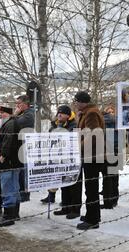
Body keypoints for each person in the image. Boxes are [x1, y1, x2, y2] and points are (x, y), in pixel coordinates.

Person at [74, 91, 105, 230]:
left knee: (91, 188)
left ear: (82, 102)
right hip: (90, 155)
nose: (75, 104)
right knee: (90, 187)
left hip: (92, 156)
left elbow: (94, 134)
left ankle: (93, 219)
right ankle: (91, 215)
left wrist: (78, 148)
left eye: (76, 101)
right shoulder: (87, 112)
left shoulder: (91, 113)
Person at [50, 105, 82, 218]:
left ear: (68, 115)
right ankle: (66, 207)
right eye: (58, 112)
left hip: (73, 160)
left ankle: (75, 209)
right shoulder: (57, 124)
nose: (59, 115)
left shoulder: (74, 125)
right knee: (64, 183)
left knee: (74, 185)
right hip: (61, 158)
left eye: (62, 113)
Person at [0, 106, 22, 227]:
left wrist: (3, 154)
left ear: (9, 114)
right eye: (0, 113)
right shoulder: (11, 123)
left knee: (7, 186)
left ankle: (8, 216)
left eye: (3, 113)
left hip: (8, 161)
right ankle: (14, 213)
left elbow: (8, 140)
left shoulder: (10, 124)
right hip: (14, 161)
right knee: (14, 186)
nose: (0, 115)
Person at [13, 95, 35, 203]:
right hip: (20, 144)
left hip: (25, 145)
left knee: (24, 170)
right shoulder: (24, 114)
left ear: (25, 104)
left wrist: (15, 114)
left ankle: (25, 193)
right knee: (21, 169)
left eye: (19, 103)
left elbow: (14, 123)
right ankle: (22, 191)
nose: (17, 106)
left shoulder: (29, 115)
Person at [100, 105, 119, 209]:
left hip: (107, 150)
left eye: (112, 111)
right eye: (109, 111)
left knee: (107, 177)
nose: (111, 113)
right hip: (116, 148)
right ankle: (114, 199)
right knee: (114, 176)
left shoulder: (102, 121)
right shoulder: (118, 122)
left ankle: (108, 201)